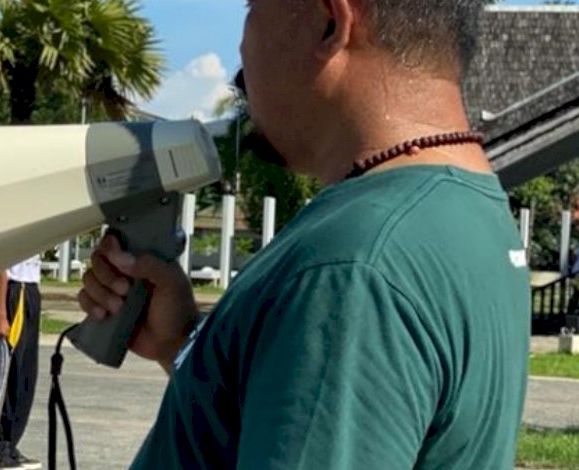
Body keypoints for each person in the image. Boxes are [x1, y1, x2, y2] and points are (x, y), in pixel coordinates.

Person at [77, 1, 531, 468]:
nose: (240, 50)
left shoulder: (352, 267)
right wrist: (186, 344)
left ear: (330, 23)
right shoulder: (462, 210)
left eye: (253, 8)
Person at [0, 257, 41, 470]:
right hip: (14, 292)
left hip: (31, 289)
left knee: (26, 374)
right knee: (7, 373)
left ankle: (12, 442)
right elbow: (0, 263)